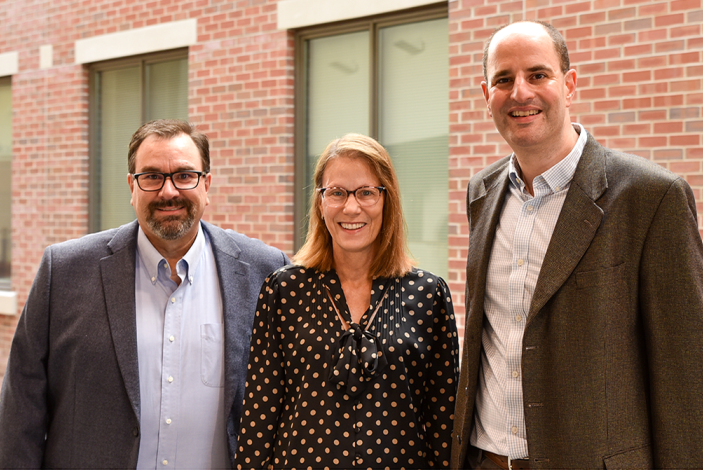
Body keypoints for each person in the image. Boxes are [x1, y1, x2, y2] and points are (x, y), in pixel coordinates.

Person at [450, 20, 703, 469]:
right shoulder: (481, 193)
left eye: (538, 74)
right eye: (503, 79)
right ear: (485, 93)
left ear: (569, 84)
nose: (520, 92)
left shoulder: (651, 197)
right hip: (485, 459)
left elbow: (686, 373)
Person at [0, 119, 289, 469]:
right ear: (131, 187)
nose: (169, 192)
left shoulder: (266, 273)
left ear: (207, 184)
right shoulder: (64, 271)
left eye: (184, 175)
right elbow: (20, 413)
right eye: (151, 176)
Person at [234, 133, 460, 469]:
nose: (351, 207)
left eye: (367, 192)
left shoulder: (429, 295)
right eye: (337, 193)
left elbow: (444, 423)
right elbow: (259, 418)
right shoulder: (283, 291)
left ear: (388, 200)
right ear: (321, 202)